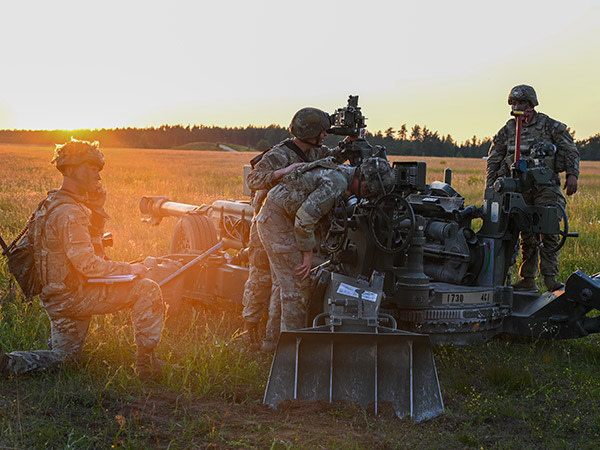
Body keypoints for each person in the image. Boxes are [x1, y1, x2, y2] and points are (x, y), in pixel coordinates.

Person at [0, 139, 165, 379]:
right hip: (74, 297)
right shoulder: (71, 212)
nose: (98, 178)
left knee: (66, 360)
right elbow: (90, 265)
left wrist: (96, 210)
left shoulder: (50, 204)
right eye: (93, 170)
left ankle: (8, 364)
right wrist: (134, 268)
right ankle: (147, 366)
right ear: (74, 169)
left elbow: (87, 253)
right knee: (146, 288)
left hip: (56, 299)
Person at [256, 156, 395, 351]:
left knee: (283, 283)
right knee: (297, 285)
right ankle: (291, 351)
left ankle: (272, 344)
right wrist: (307, 254)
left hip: (276, 218)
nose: (365, 194)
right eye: (366, 189)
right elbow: (304, 219)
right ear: (361, 178)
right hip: (278, 222)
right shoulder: (337, 183)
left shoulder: (339, 174)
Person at [241, 107, 346, 350]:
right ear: (309, 132)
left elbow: (330, 161)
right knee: (261, 278)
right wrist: (281, 172)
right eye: (321, 132)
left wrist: (350, 142)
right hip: (265, 224)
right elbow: (253, 180)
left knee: (283, 282)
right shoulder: (280, 154)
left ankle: (273, 338)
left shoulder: (316, 151)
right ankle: (250, 329)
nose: (325, 136)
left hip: (289, 225)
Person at [486, 84, 580, 292]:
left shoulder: (549, 126)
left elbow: (569, 149)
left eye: (523, 103)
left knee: (548, 230)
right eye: (515, 103)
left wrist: (572, 175)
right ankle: (527, 278)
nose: (518, 107)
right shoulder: (508, 129)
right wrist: (491, 186)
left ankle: (550, 278)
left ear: (531, 105)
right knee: (525, 234)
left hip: (545, 187)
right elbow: (495, 157)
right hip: (518, 188)